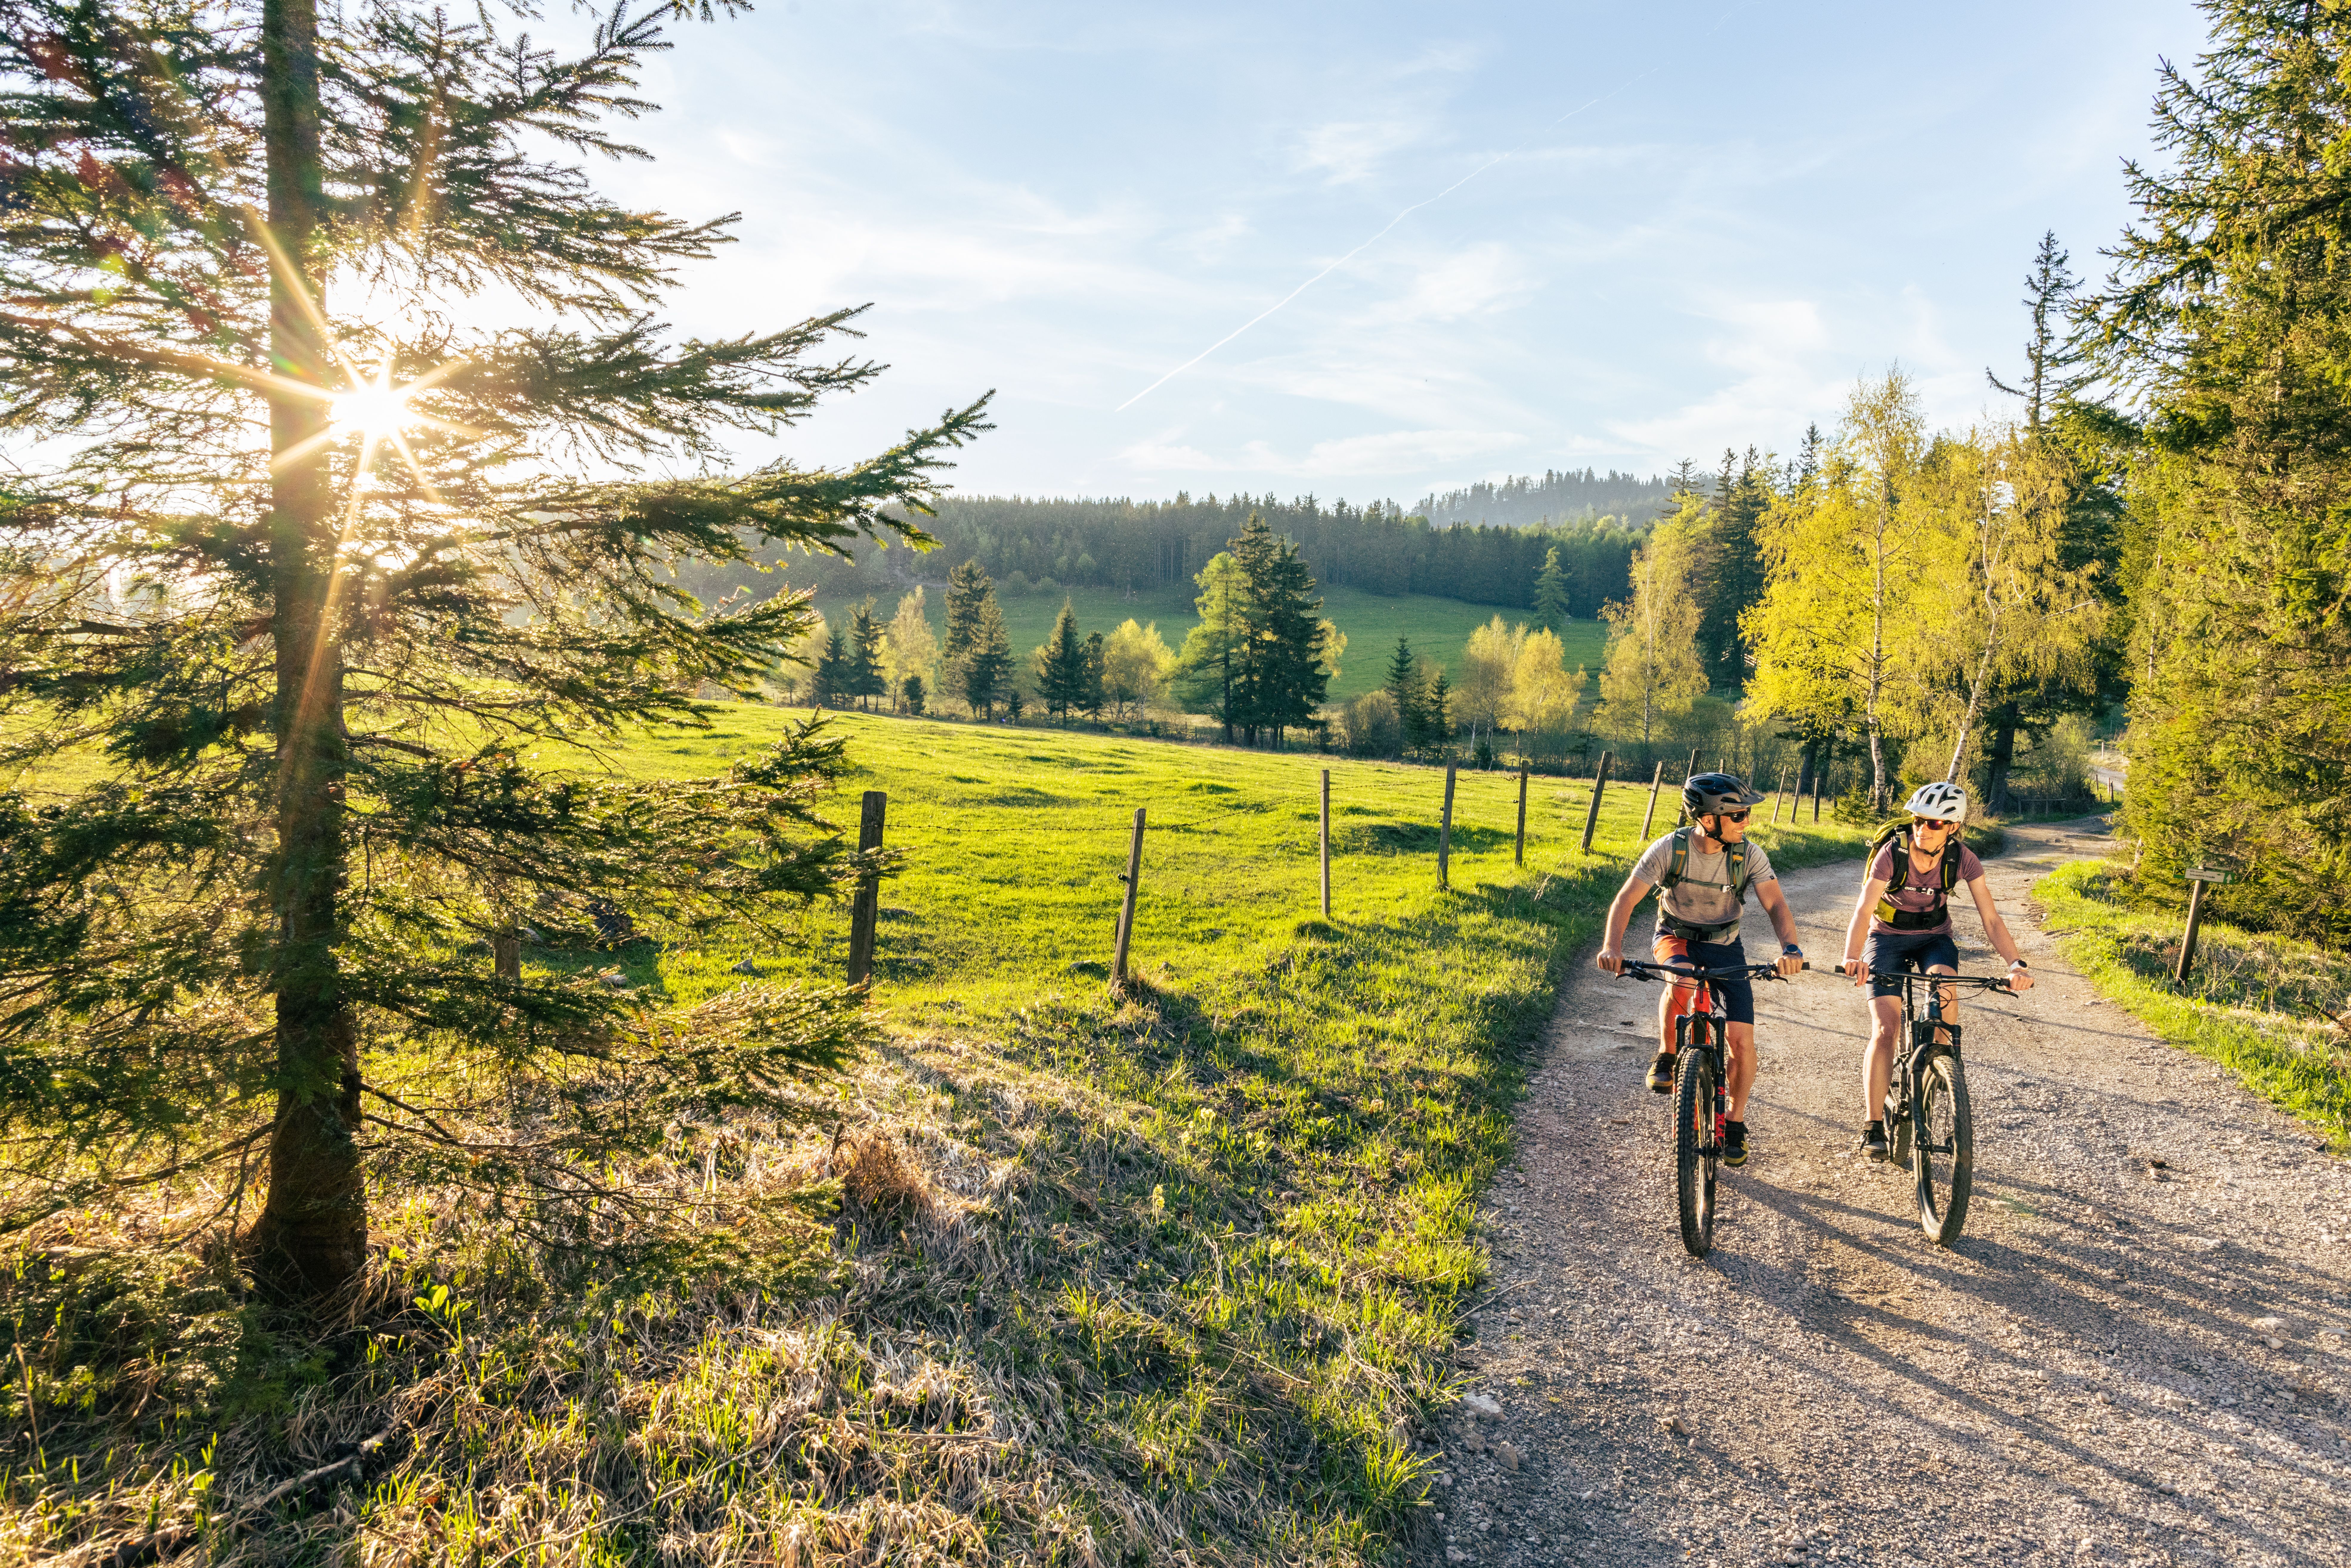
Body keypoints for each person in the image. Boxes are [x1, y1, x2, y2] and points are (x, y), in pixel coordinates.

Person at [1596, 773, 1807, 1168]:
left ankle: (1735, 1121)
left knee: (1743, 1041)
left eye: (1746, 814)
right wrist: (1612, 947)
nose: (1747, 821)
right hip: (1676, 937)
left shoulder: (1749, 854)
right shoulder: (1670, 849)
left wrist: (1790, 948)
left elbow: (1776, 904)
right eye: (1738, 814)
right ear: (1709, 819)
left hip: (1726, 945)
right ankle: (1667, 1055)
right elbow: (1627, 897)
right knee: (1684, 978)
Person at [1838, 781, 2036, 1159]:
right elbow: (1863, 911)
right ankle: (1872, 1126)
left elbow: (1991, 919)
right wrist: (1852, 956)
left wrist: (2015, 964)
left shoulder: (1963, 859)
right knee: (1885, 1029)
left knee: (1944, 1006)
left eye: (1934, 824)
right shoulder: (1890, 854)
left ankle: (1940, 1073)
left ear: (1954, 828)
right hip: (1887, 939)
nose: (1922, 829)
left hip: (1934, 939)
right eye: (1918, 820)